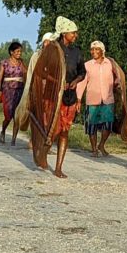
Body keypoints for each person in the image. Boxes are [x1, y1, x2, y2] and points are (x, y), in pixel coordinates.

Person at [48, 16, 86, 178]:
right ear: (64, 33)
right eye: (73, 33)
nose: (75, 36)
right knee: (53, 130)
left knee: (65, 131)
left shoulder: (77, 52)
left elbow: (82, 72)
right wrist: (58, 82)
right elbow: (43, 72)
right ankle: (43, 149)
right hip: (53, 96)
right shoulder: (53, 49)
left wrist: (75, 81)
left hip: (70, 96)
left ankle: (58, 167)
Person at [76, 40, 118, 157]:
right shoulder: (87, 65)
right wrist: (78, 99)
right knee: (92, 126)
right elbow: (82, 83)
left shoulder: (110, 63)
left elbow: (118, 76)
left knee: (108, 125)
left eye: (96, 49)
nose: (93, 52)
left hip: (107, 98)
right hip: (92, 99)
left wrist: (117, 83)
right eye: (92, 49)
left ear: (102, 51)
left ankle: (101, 145)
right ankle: (94, 149)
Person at [0, 42, 27, 145]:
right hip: (7, 91)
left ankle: (13, 139)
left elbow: (26, 74)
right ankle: (3, 130)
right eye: (17, 51)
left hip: (19, 90)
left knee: (17, 115)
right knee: (8, 115)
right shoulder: (4, 63)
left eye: (20, 51)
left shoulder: (21, 63)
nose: (19, 53)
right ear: (11, 52)